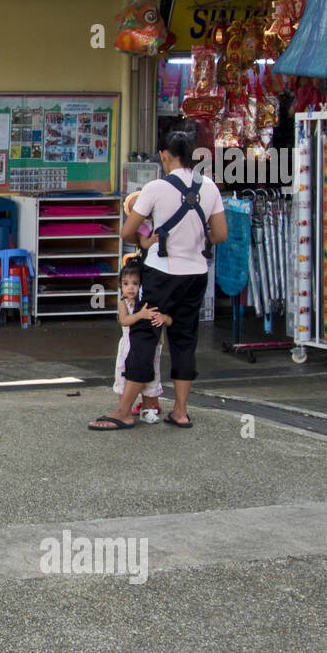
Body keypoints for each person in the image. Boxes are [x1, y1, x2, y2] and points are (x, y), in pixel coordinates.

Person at [90, 129, 227, 431]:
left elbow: (127, 233)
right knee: (184, 339)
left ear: (165, 156)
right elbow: (220, 235)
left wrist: (150, 241)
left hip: (162, 275)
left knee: (144, 336)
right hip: (196, 275)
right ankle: (180, 411)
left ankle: (125, 410)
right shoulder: (210, 188)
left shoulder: (155, 188)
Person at [100, 261, 170, 429]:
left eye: (135, 284)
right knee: (124, 377)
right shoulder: (123, 304)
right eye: (125, 284)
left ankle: (148, 409)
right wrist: (141, 315)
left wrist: (163, 320)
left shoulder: (149, 303)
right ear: (120, 286)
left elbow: (167, 319)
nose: (130, 288)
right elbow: (125, 321)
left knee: (150, 378)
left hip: (150, 349)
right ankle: (124, 407)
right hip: (127, 348)